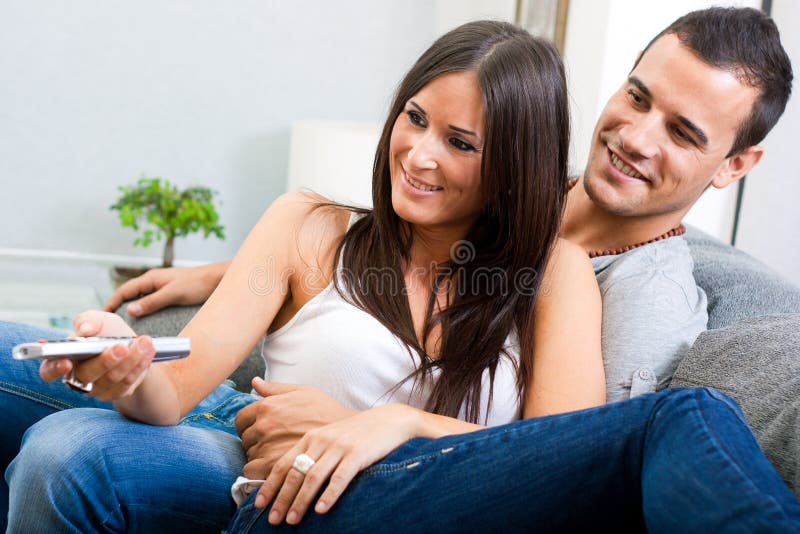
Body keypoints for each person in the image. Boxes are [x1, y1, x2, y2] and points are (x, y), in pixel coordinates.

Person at [2, 20, 607, 532]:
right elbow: (176, 388)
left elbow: (562, 465)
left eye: (460, 142)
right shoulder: (307, 226)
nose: (420, 155)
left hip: (369, 505)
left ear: (513, 165)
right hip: (244, 454)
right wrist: (127, 366)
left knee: (64, 451)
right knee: (53, 433)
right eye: (415, 118)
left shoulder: (556, 276)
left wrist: (392, 426)